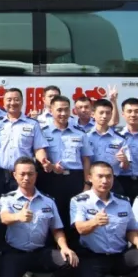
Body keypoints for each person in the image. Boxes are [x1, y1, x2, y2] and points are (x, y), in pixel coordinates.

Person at [0, 157, 77, 277]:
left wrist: (65, 247)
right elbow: (4, 218)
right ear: (15, 175)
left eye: (30, 174)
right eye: (22, 174)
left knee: (68, 260)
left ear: (36, 175)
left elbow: (57, 229)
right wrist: (18, 216)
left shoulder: (48, 201)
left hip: (40, 252)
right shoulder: (7, 199)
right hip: (15, 252)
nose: (26, 178)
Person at [37, 95, 89, 230]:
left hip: (75, 179)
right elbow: (40, 153)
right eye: (59, 110)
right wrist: (49, 165)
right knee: (52, 215)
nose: (63, 113)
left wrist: (87, 183)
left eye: (66, 110)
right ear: (51, 111)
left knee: (75, 216)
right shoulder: (43, 132)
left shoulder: (79, 133)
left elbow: (86, 159)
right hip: (51, 178)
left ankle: (74, 242)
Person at [0, 88, 46, 199]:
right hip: (0, 175)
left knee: (23, 206)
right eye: (9, 100)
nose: (13, 103)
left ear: (22, 102)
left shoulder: (33, 124)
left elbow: (38, 148)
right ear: (4, 102)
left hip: (23, 176)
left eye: (16, 99)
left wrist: (43, 160)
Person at [84, 99, 130, 194]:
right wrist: (87, 183)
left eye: (108, 113)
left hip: (112, 182)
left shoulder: (120, 139)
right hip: (90, 182)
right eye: (101, 113)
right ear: (93, 114)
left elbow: (126, 167)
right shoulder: (85, 136)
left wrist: (124, 160)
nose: (104, 116)